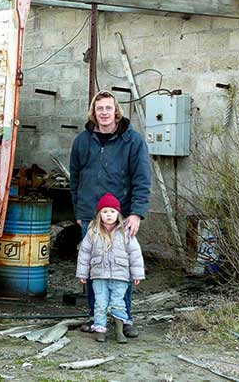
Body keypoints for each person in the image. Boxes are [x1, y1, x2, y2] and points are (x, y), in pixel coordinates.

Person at [69, 90, 151, 337]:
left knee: (121, 269)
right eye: (99, 108)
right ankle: (97, 317)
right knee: (95, 268)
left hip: (121, 216)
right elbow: (75, 178)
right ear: (93, 113)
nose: (104, 113)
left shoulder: (132, 141)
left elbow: (142, 178)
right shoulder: (83, 141)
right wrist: (80, 210)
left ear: (116, 112)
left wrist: (136, 213)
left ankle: (123, 319)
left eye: (108, 108)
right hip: (91, 216)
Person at [76, 192, 145, 343]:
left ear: (118, 214)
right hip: (99, 276)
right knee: (99, 303)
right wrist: (83, 273)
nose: (109, 215)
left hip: (120, 276)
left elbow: (135, 254)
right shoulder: (93, 231)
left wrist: (137, 275)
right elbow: (84, 253)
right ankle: (100, 330)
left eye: (112, 212)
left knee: (118, 303)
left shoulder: (126, 232)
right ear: (99, 214)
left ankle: (119, 330)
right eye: (105, 212)